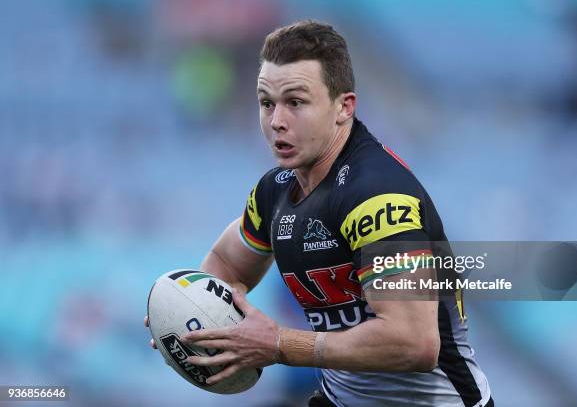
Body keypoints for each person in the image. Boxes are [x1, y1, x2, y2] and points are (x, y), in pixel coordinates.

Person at [145, 20, 493, 407]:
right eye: (266, 103)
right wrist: (187, 316)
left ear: (344, 107)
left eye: (295, 102)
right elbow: (229, 263)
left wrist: (278, 344)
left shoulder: (376, 195)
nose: (276, 120)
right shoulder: (274, 191)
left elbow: (414, 342)